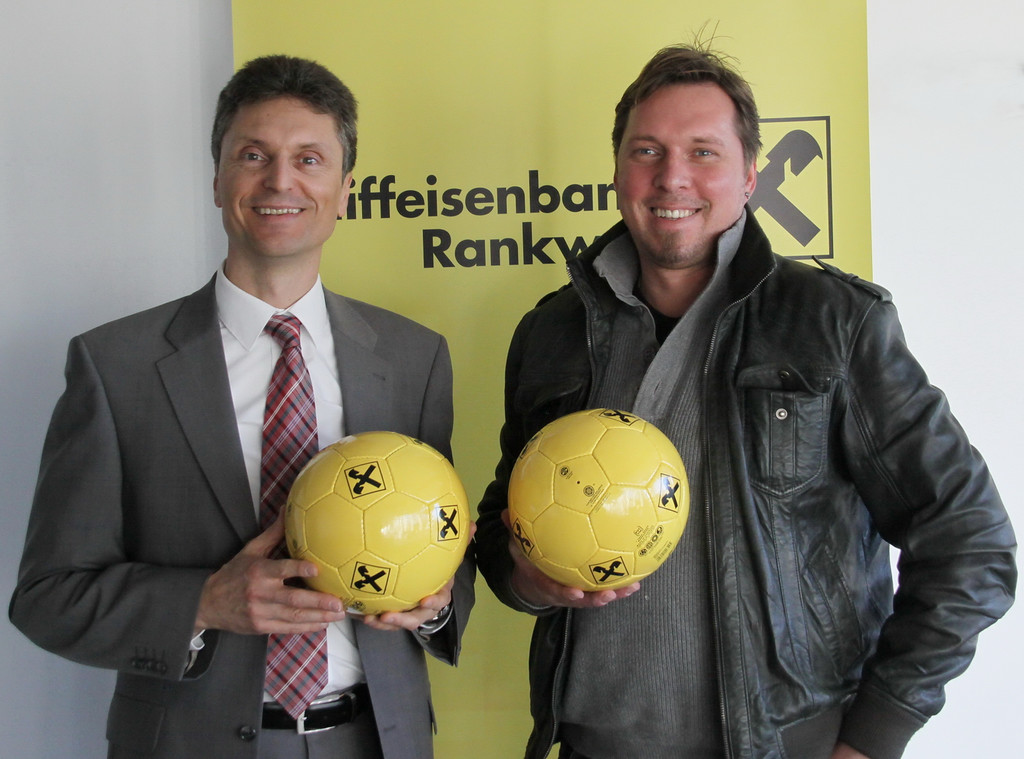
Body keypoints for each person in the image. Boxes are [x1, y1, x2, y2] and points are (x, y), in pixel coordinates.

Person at [474, 43, 1016, 759]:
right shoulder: (551, 333)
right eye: (647, 151)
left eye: (703, 152)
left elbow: (971, 540)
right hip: (590, 745)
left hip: (784, 745)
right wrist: (528, 575)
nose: (672, 176)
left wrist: (875, 735)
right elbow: (500, 526)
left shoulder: (832, 322)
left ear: (751, 175)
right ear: (618, 171)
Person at [10, 55, 474, 759]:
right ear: (218, 179)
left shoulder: (415, 358)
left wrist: (435, 603)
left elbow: (446, 545)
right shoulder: (115, 366)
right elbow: (48, 596)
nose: (281, 181)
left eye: (309, 159)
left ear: (345, 191)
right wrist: (203, 602)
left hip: (376, 738)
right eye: (253, 155)